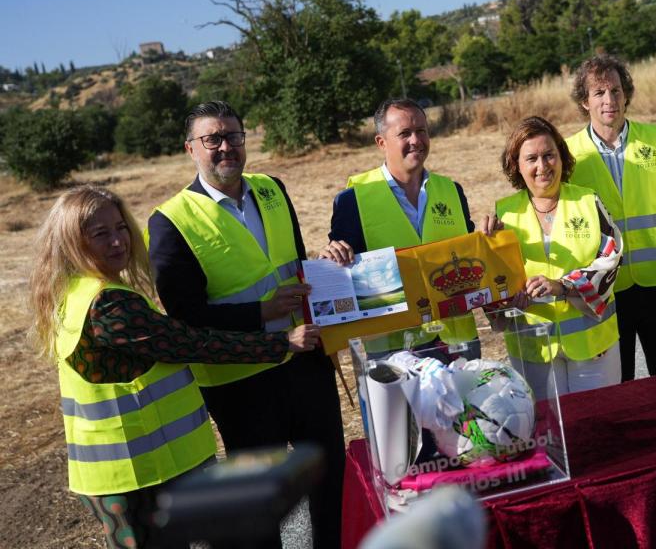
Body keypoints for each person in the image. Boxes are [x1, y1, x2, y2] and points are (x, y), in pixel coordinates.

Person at [28, 186, 320, 549]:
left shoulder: (76, 292)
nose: (118, 241)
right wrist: (280, 343)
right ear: (72, 241)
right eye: (100, 234)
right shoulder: (109, 306)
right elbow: (192, 343)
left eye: (120, 228)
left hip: (125, 470)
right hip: (138, 471)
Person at [147, 101, 343, 549]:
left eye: (233, 136)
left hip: (306, 362)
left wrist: (326, 267)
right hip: (241, 384)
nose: (225, 147)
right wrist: (263, 313)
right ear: (190, 149)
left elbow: (291, 269)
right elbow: (186, 319)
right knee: (260, 503)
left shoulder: (271, 188)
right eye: (212, 139)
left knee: (330, 478)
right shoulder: (170, 221)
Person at [320, 98, 477, 359]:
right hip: (394, 351)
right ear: (381, 143)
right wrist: (331, 258)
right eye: (404, 133)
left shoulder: (452, 191)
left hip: (457, 341)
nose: (416, 140)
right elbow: (341, 272)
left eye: (422, 131)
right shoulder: (352, 200)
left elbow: (470, 255)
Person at [482, 116, 623, 399]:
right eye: (531, 158)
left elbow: (612, 257)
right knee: (550, 434)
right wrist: (487, 254)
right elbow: (493, 287)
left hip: (594, 347)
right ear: (516, 166)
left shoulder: (587, 201)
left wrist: (563, 286)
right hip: (534, 349)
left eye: (549, 155)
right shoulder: (504, 215)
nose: (542, 166)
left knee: (601, 429)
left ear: (561, 156)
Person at [565, 54, 656, 381]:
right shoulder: (568, 156)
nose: (609, 100)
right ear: (584, 102)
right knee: (619, 386)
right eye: (598, 93)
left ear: (626, 93)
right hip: (605, 291)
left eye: (615, 91)